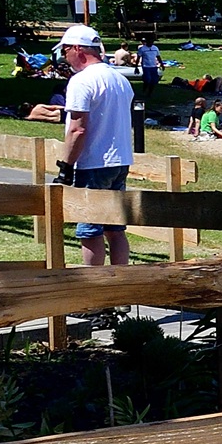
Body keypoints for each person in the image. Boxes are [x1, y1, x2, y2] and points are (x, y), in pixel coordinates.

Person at [56, 25, 135, 267]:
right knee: (115, 228)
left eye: (65, 50)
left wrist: (65, 167)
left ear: (77, 49)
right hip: (120, 159)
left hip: (94, 162)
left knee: (89, 230)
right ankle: (119, 291)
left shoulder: (81, 81)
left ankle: (94, 293)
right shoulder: (120, 80)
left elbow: (77, 129)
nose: (64, 56)